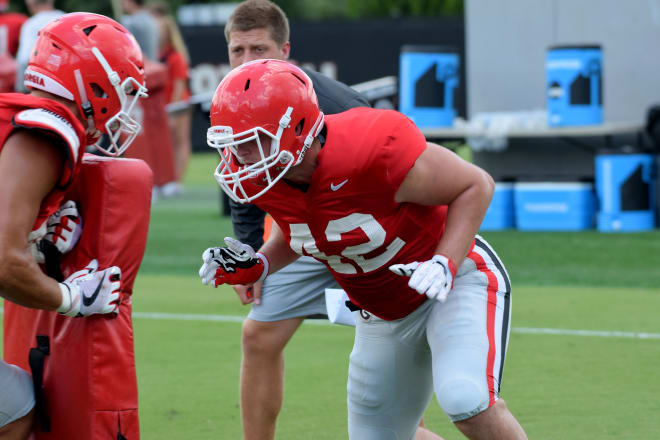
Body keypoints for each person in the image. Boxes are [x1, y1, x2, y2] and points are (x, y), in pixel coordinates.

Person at [200, 59, 528, 440]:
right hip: (383, 313)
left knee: (465, 399)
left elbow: (476, 185)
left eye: (250, 142)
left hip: (453, 282)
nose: (239, 158)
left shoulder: (372, 150)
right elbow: (300, 232)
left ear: (298, 128)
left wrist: (444, 262)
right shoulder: (273, 176)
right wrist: (259, 265)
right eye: (233, 144)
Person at [220, 2, 440, 440]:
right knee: (258, 336)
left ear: (285, 49)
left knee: (385, 365)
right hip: (298, 235)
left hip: (370, 233)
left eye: (259, 49)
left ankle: (407, 431)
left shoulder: (340, 104)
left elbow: (403, 171)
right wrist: (250, 256)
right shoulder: (233, 101)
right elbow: (244, 182)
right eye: (237, 50)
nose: (247, 62)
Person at [0, 12, 147, 439]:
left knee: (12, 403)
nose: (124, 104)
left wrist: (36, 242)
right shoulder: (49, 131)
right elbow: (3, 263)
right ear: (94, 83)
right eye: (123, 88)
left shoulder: (22, 117)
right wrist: (71, 298)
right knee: (15, 409)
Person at [150, 1, 191, 197]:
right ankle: (165, 179)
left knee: (179, 142)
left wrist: (172, 105)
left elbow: (179, 84)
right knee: (163, 145)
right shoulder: (153, 55)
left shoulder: (175, 56)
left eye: (161, 29)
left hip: (178, 105)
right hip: (161, 106)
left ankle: (176, 180)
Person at [13, 0, 63, 92]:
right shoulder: (66, 18)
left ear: (30, 3)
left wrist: (20, 88)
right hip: (65, 83)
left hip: (40, 87)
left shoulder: (30, 24)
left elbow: (23, 61)